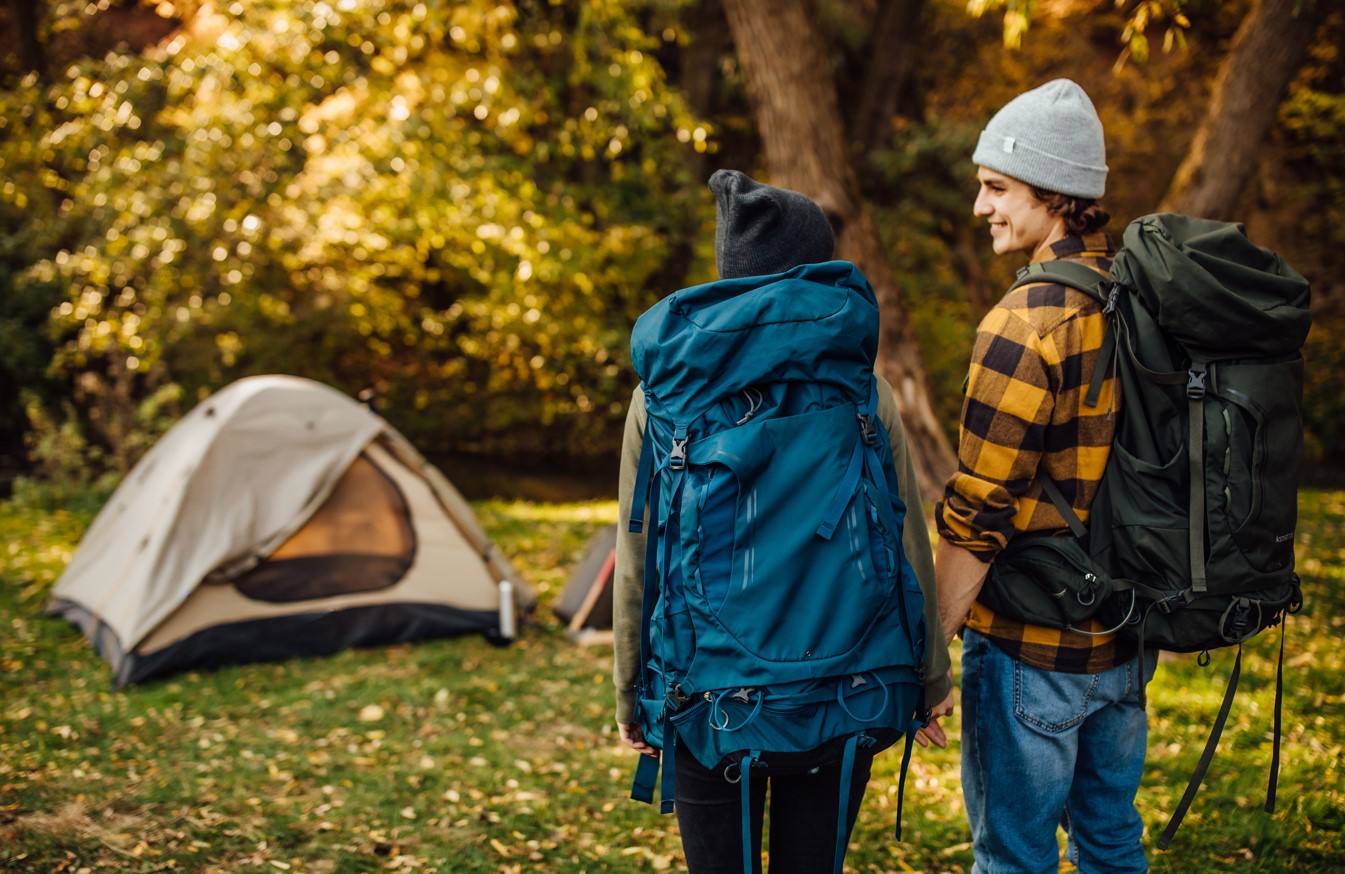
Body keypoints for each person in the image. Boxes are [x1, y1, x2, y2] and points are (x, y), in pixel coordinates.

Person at [613, 169, 954, 873]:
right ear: (816, 267)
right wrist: (927, 680)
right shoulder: (864, 390)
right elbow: (904, 541)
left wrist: (630, 693)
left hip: (705, 693)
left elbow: (638, 551)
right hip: (849, 685)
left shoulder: (663, 397)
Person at [934, 79, 1159, 873]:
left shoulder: (1024, 322)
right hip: (1126, 640)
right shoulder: (1143, 301)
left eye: (996, 187)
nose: (980, 207)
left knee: (1012, 858)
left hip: (1030, 649)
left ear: (1054, 193)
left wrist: (930, 650)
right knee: (1111, 842)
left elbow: (978, 510)